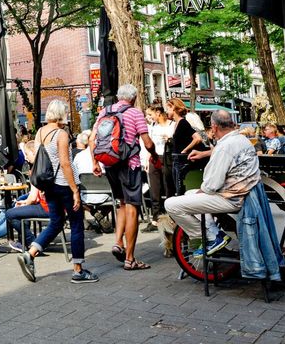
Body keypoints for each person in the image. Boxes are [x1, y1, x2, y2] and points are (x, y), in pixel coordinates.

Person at [16, 100, 98, 284]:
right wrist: (75, 189)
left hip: (48, 184)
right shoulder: (61, 134)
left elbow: (38, 160)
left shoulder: (39, 132)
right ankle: (78, 269)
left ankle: (30, 254)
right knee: (76, 223)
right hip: (63, 184)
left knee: (56, 222)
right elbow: (65, 163)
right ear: (62, 114)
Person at [165, 110, 261, 254]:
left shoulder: (224, 147)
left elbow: (211, 185)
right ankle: (213, 232)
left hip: (231, 198)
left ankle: (213, 237)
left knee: (171, 204)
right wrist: (204, 153)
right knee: (189, 193)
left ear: (214, 127)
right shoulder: (242, 140)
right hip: (244, 193)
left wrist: (199, 192)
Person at [89, 84, 158, 271]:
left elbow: (92, 138)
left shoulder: (105, 111)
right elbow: (147, 142)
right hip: (130, 164)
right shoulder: (135, 113)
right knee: (132, 207)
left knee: (121, 203)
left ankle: (118, 242)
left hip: (110, 163)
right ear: (134, 98)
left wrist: (95, 162)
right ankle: (130, 259)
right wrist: (155, 155)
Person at [143, 103, 174, 232]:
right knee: (155, 189)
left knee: (168, 188)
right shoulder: (152, 127)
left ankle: (170, 216)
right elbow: (149, 144)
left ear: (158, 113)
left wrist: (170, 139)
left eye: (150, 114)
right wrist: (146, 160)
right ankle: (155, 219)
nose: (149, 117)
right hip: (154, 158)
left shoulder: (172, 125)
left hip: (167, 158)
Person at [167, 98, 205, 195]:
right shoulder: (177, 123)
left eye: (168, 108)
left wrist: (185, 150)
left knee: (180, 189)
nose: (166, 111)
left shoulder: (183, 122)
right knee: (177, 187)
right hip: (177, 159)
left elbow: (197, 138)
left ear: (173, 108)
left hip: (181, 160)